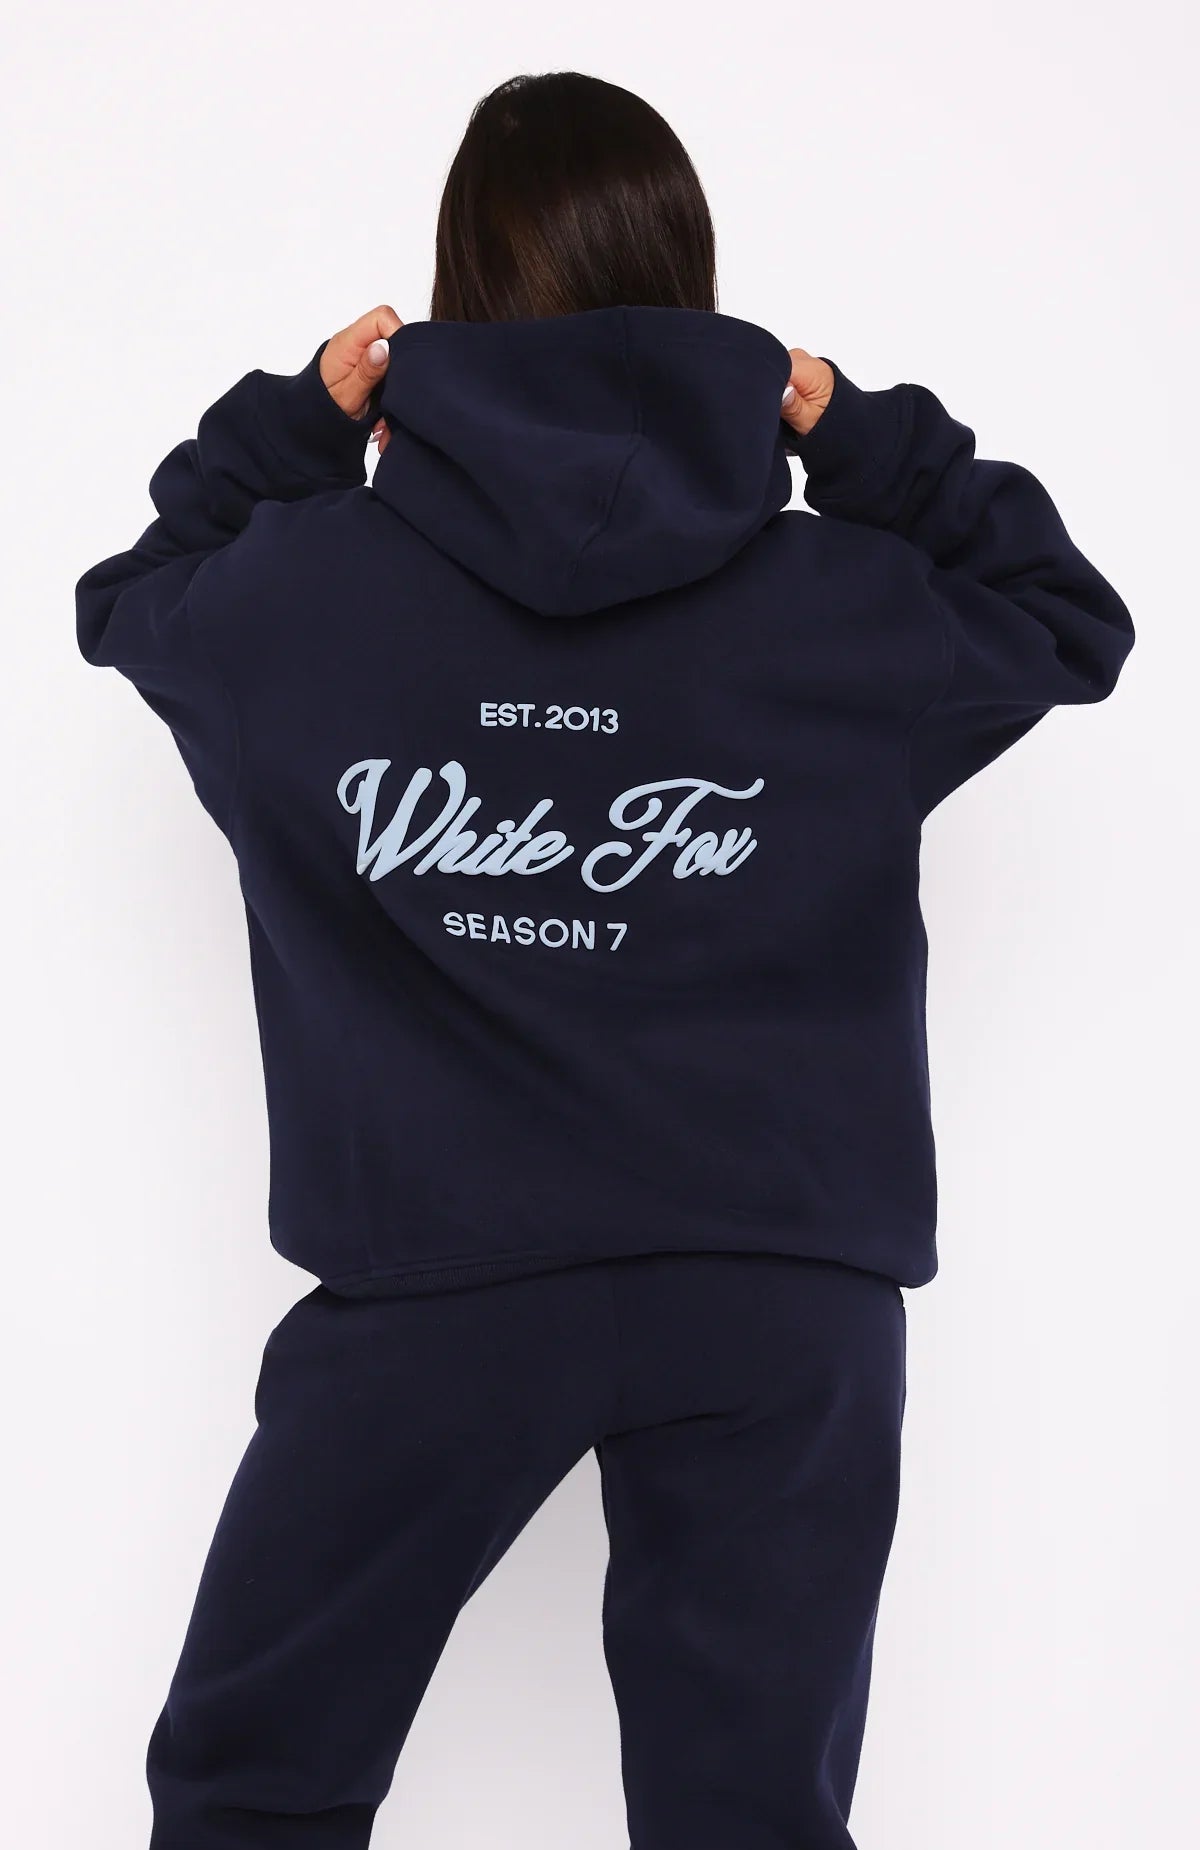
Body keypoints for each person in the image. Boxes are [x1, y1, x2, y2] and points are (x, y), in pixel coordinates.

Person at [76, 68, 1134, 1850]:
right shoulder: (842, 607)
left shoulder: (299, 599)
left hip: (432, 1284)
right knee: (748, 1822)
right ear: (694, 284)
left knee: (254, 1786)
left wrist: (293, 426)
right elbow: (1063, 616)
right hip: (778, 1294)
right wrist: (856, 433)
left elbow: (132, 595)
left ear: (456, 286)